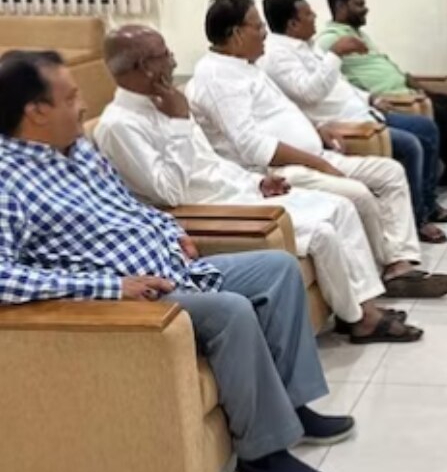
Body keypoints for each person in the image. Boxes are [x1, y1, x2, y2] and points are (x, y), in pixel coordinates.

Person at [0, 49, 350, 472]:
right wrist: (113, 287)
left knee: (277, 269)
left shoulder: (77, 150)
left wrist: (171, 229)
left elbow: (128, 206)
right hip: (123, 298)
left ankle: (292, 406)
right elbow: (4, 276)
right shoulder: (7, 180)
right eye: (70, 98)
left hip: (172, 267)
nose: (83, 106)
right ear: (36, 111)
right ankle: (261, 457)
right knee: (229, 311)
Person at [95, 25, 423, 343]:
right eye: (165, 55)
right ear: (145, 66)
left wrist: (256, 182)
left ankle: (364, 309)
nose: (173, 61)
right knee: (322, 232)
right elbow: (169, 192)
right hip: (213, 210)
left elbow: (212, 164)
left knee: (341, 207)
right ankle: (360, 319)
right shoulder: (119, 125)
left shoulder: (165, 100)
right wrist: (180, 123)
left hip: (239, 192)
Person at [187, 0, 447, 299]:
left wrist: (316, 128)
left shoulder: (245, 65)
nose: (264, 34)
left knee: (390, 173)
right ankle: (387, 272)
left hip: (313, 154)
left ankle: (399, 264)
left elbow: (281, 110)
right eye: (258, 27)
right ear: (236, 34)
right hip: (276, 171)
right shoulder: (218, 77)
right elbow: (251, 146)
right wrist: (319, 163)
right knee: (359, 195)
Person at [259, 0, 447, 245]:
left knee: (426, 128)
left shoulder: (309, 47)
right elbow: (310, 93)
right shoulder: (278, 56)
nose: (315, 17)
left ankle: (428, 204)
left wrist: (371, 98)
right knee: (411, 145)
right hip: (346, 123)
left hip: (366, 111)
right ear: (292, 24)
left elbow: (341, 84)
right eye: (308, 14)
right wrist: (335, 54)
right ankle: (418, 218)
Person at [315, 0, 447, 197]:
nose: (365, 9)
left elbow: (394, 70)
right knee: (443, 113)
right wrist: (371, 97)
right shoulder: (329, 41)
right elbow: (333, 82)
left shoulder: (359, 34)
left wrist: (424, 89)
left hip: (408, 92)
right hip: (392, 100)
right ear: (340, 6)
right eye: (359, 4)